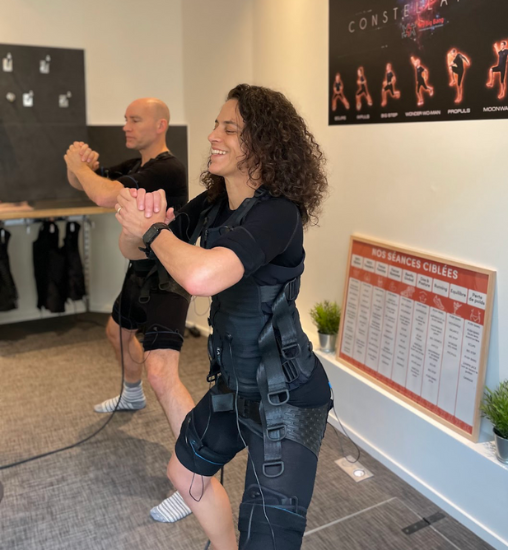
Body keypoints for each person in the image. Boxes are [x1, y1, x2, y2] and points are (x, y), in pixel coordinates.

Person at [116, 84, 331, 549]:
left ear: (264, 143)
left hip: (288, 396)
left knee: (268, 537)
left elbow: (202, 276)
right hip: (235, 387)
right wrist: (138, 225)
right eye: (216, 124)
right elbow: (136, 250)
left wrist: (152, 231)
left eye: (229, 128)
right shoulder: (212, 205)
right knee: (184, 472)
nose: (213, 135)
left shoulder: (278, 214)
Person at [64, 98, 194, 522]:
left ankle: (196, 481)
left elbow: (103, 193)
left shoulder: (168, 168)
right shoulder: (139, 164)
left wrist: (78, 165)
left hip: (169, 274)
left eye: (134, 119)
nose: (125, 126)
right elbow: (84, 182)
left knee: (162, 373)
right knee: (116, 332)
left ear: (160, 125)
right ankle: (132, 395)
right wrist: (77, 164)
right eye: (124, 119)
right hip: (140, 268)